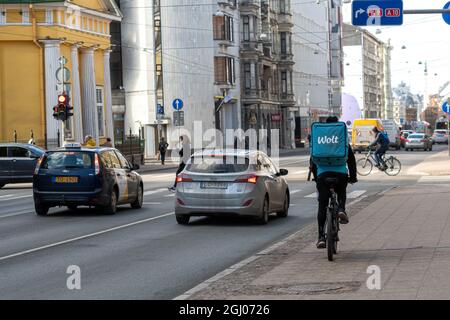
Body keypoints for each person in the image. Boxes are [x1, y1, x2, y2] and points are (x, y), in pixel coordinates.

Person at [310, 116, 358, 249]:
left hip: (323, 175)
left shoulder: (319, 140)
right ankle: (341, 209)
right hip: (340, 174)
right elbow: (351, 161)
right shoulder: (341, 139)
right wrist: (353, 177)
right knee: (341, 190)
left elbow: (312, 161)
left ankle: (321, 237)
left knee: (322, 206)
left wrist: (316, 177)